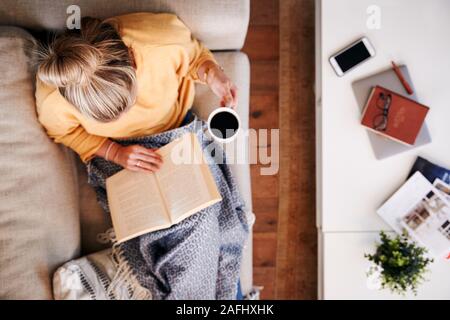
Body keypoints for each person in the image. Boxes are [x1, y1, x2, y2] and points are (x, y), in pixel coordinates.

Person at [35, 12, 238, 172]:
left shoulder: (161, 40)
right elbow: (65, 133)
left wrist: (212, 73)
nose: (126, 116)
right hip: (115, 150)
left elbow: (194, 58)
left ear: (132, 58)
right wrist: (115, 153)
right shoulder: (52, 99)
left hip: (175, 128)